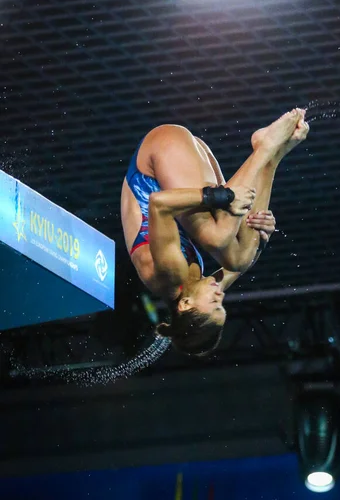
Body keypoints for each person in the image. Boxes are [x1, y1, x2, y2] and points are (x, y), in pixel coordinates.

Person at [121, 108, 309, 356]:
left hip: (157, 156)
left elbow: (159, 204)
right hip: (187, 164)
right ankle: (271, 160)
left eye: (214, 303)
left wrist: (223, 196)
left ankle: (264, 149)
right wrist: (262, 234)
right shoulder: (193, 286)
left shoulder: (170, 276)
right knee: (239, 258)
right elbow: (243, 262)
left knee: (217, 237)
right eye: (222, 304)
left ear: (186, 305)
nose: (220, 294)